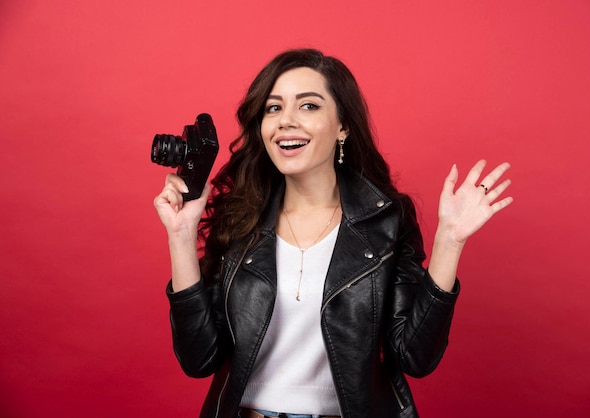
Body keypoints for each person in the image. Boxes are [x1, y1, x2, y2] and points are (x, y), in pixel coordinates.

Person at [154, 48, 513, 418]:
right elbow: (199, 359)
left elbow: (414, 357)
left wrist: (449, 241)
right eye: (273, 108)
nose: (286, 121)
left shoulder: (385, 222)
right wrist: (180, 235)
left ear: (343, 125)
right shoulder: (240, 217)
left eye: (308, 106)